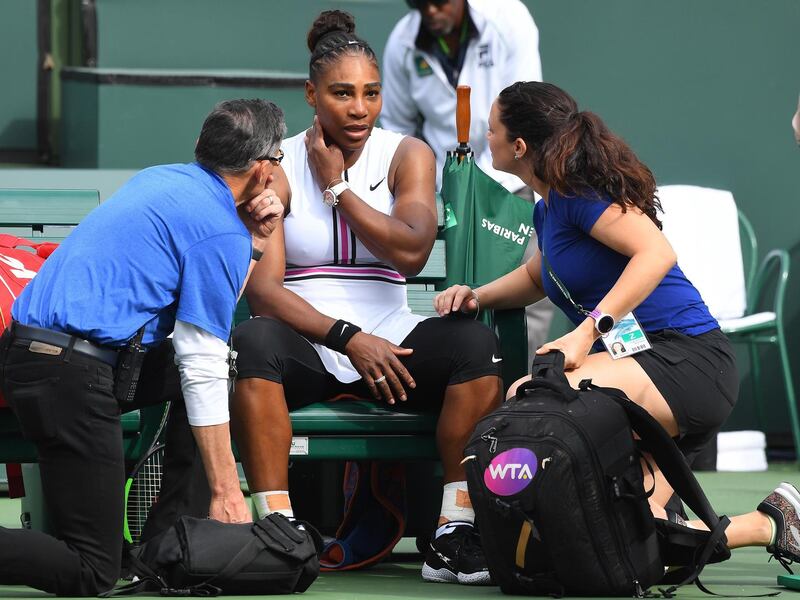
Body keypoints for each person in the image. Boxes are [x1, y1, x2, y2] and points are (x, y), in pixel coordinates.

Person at [435, 80, 800, 567]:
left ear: (518, 147)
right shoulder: (547, 208)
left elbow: (657, 252)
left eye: (492, 129)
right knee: (634, 540)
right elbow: (535, 277)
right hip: (643, 369)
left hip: (686, 360)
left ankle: (475, 526)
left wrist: (587, 332)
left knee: (534, 394)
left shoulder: (577, 193)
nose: (487, 137)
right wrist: (475, 296)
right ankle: (771, 522)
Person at [230, 10, 502, 586]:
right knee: (254, 340)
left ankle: (456, 528)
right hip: (312, 342)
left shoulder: (409, 154)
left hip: (393, 339)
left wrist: (338, 190)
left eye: (371, 93)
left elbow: (409, 251)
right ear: (311, 94)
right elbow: (263, 292)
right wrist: (348, 340)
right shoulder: (274, 165)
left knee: (475, 346)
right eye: (342, 93)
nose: (359, 108)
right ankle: (277, 529)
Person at [0, 99, 286, 596]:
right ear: (262, 170)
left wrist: (255, 240)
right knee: (92, 570)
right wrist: (226, 490)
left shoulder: (161, 178)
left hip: (34, 357)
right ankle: (175, 531)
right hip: (68, 375)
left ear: (202, 147)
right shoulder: (217, 228)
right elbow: (202, 354)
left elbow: (207, 313)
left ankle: (168, 546)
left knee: (212, 372)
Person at [381, 0, 554, 361]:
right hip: (447, 192)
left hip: (511, 181)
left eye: (439, 1)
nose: (429, 11)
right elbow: (397, 128)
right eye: (418, 3)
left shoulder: (507, 17)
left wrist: (494, 174)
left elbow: (528, 109)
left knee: (529, 285)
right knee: (453, 290)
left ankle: (522, 386)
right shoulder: (402, 41)